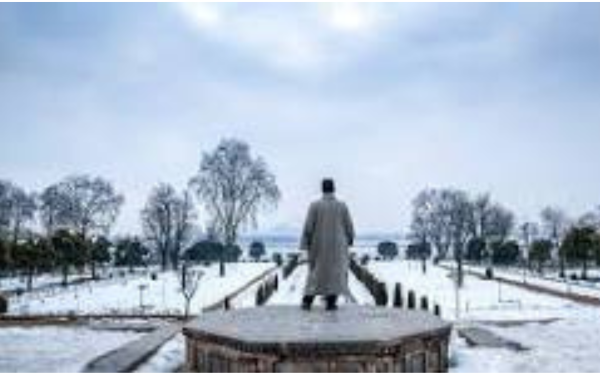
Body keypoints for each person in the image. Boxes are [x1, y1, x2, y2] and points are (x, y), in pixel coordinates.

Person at [300, 178, 355, 311]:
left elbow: (308, 227)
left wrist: (304, 245)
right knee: (334, 275)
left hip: (318, 246)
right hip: (338, 247)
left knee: (315, 274)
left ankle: (307, 301)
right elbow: (349, 227)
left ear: (322, 189)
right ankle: (331, 302)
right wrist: (350, 240)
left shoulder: (315, 206)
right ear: (333, 189)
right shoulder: (342, 206)